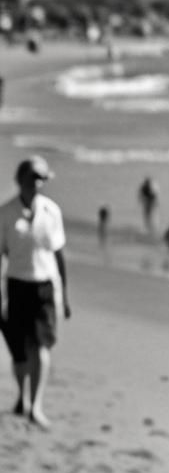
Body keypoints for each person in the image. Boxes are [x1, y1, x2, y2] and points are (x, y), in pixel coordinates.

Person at [1, 156, 71, 429]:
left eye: (43, 178)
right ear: (20, 180)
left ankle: (36, 405)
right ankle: (22, 397)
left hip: (43, 286)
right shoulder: (5, 213)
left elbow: (59, 255)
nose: (38, 182)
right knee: (20, 351)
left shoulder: (52, 211)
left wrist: (64, 295)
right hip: (16, 285)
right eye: (34, 177)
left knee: (41, 345)